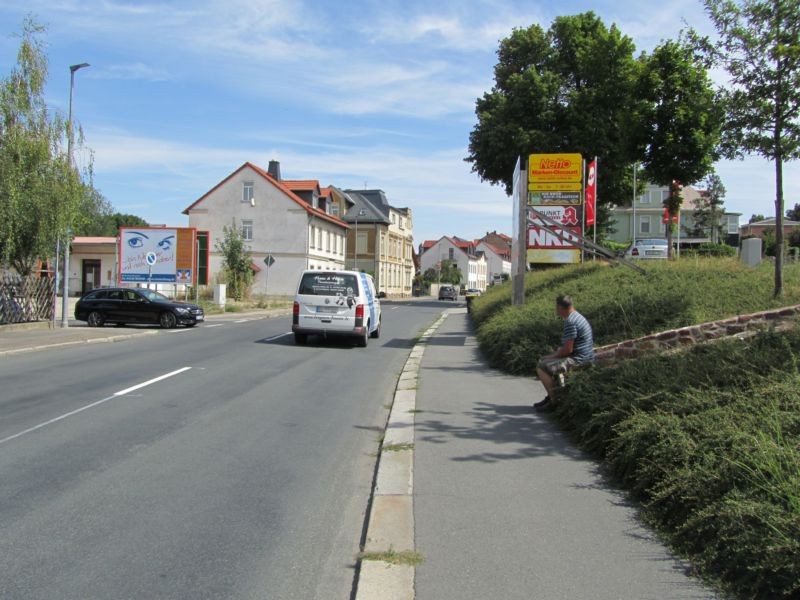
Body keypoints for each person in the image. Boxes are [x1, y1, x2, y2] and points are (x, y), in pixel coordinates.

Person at [534, 295, 594, 412]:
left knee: (541, 366)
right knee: (549, 361)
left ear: (561, 307)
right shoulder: (578, 316)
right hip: (586, 355)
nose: (556, 310)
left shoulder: (570, 322)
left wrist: (549, 356)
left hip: (578, 359)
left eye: (556, 307)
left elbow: (567, 351)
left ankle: (554, 400)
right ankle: (550, 395)